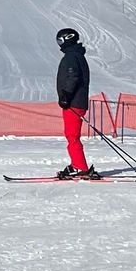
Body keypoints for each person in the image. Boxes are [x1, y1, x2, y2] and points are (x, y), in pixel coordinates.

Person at [56, 27, 98, 180]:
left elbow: (72, 77)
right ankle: (76, 165)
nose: (59, 44)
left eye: (60, 40)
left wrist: (66, 96)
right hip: (76, 101)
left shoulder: (71, 57)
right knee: (72, 136)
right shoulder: (76, 55)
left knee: (72, 136)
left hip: (73, 102)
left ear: (68, 39)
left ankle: (80, 167)